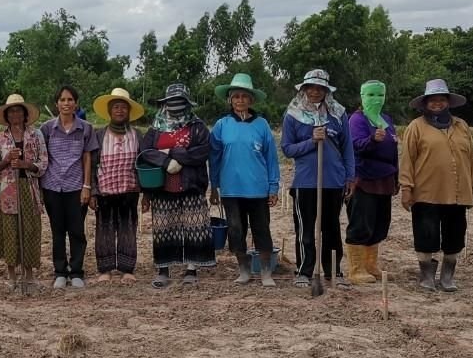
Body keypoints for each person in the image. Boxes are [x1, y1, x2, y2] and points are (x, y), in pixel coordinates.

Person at [399, 79, 473, 292]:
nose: (437, 103)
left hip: (457, 191)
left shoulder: (461, 126)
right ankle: (426, 276)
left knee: (455, 234)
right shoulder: (416, 127)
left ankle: (447, 276)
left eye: (441, 100)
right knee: (426, 234)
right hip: (426, 192)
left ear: (448, 102)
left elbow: (471, 157)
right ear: (425, 104)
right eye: (433, 100)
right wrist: (406, 188)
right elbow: (407, 159)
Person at [281, 69, 356, 288]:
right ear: (304, 89)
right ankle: (304, 270)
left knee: (331, 228)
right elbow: (287, 149)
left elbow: (348, 148)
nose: (315, 92)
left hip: (333, 181)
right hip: (305, 183)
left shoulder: (338, 114)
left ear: (326, 90)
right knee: (305, 229)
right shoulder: (292, 115)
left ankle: (333, 271)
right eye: (310, 88)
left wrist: (350, 177)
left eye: (319, 88)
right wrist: (311, 141)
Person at [138, 83, 213, 289]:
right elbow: (145, 152)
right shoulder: (155, 128)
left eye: (180, 102)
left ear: (187, 103)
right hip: (163, 186)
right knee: (164, 228)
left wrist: (179, 156)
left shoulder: (197, 126)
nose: (175, 106)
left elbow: (204, 150)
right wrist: (165, 161)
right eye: (172, 102)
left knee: (192, 226)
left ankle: (191, 268)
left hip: (191, 184)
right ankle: (163, 269)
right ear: (165, 104)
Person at [208, 74, 280, 287]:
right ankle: (244, 270)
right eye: (235, 96)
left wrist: (273, 186)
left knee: (262, 229)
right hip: (231, 189)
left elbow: (271, 158)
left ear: (251, 100)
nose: (240, 100)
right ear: (230, 100)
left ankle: (266, 272)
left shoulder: (262, 125)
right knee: (236, 231)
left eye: (244, 96)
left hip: (257, 189)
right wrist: (214, 186)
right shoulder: (221, 125)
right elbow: (214, 157)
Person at [39, 85, 99, 289]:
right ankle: (60, 272)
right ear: (56, 104)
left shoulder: (86, 128)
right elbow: (43, 157)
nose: (66, 103)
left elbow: (87, 157)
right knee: (57, 231)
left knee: (76, 230)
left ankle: (77, 272)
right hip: (52, 186)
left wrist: (87, 186)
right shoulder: (46, 129)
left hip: (76, 186)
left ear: (76, 103)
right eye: (62, 100)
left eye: (70, 100)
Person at [0, 94, 48, 288]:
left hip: (29, 189)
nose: (15, 114)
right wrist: (6, 161)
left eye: (18, 111)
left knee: (30, 230)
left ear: (25, 114)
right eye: (11, 111)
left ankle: (29, 274)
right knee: (10, 230)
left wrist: (26, 164)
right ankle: (12, 275)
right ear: (6, 115)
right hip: (6, 191)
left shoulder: (36, 135)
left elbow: (44, 163)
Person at [345, 80, 398, 285]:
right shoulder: (357, 120)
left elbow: (393, 149)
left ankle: (370, 265)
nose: (376, 99)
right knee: (361, 222)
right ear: (362, 96)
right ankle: (356, 269)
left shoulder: (386, 119)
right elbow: (355, 146)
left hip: (385, 179)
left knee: (379, 223)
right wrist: (372, 140)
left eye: (380, 95)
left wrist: (395, 176)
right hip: (364, 178)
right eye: (371, 95)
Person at [89, 87, 144, 284]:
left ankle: (127, 269)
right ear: (110, 111)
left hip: (129, 190)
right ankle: (105, 270)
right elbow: (93, 164)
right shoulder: (99, 135)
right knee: (104, 230)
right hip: (105, 190)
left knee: (128, 229)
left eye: (123, 107)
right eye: (116, 107)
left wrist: (145, 193)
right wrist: (93, 192)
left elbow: (143, 164)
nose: (120, 111)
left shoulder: (136, 135)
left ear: (128, 111)